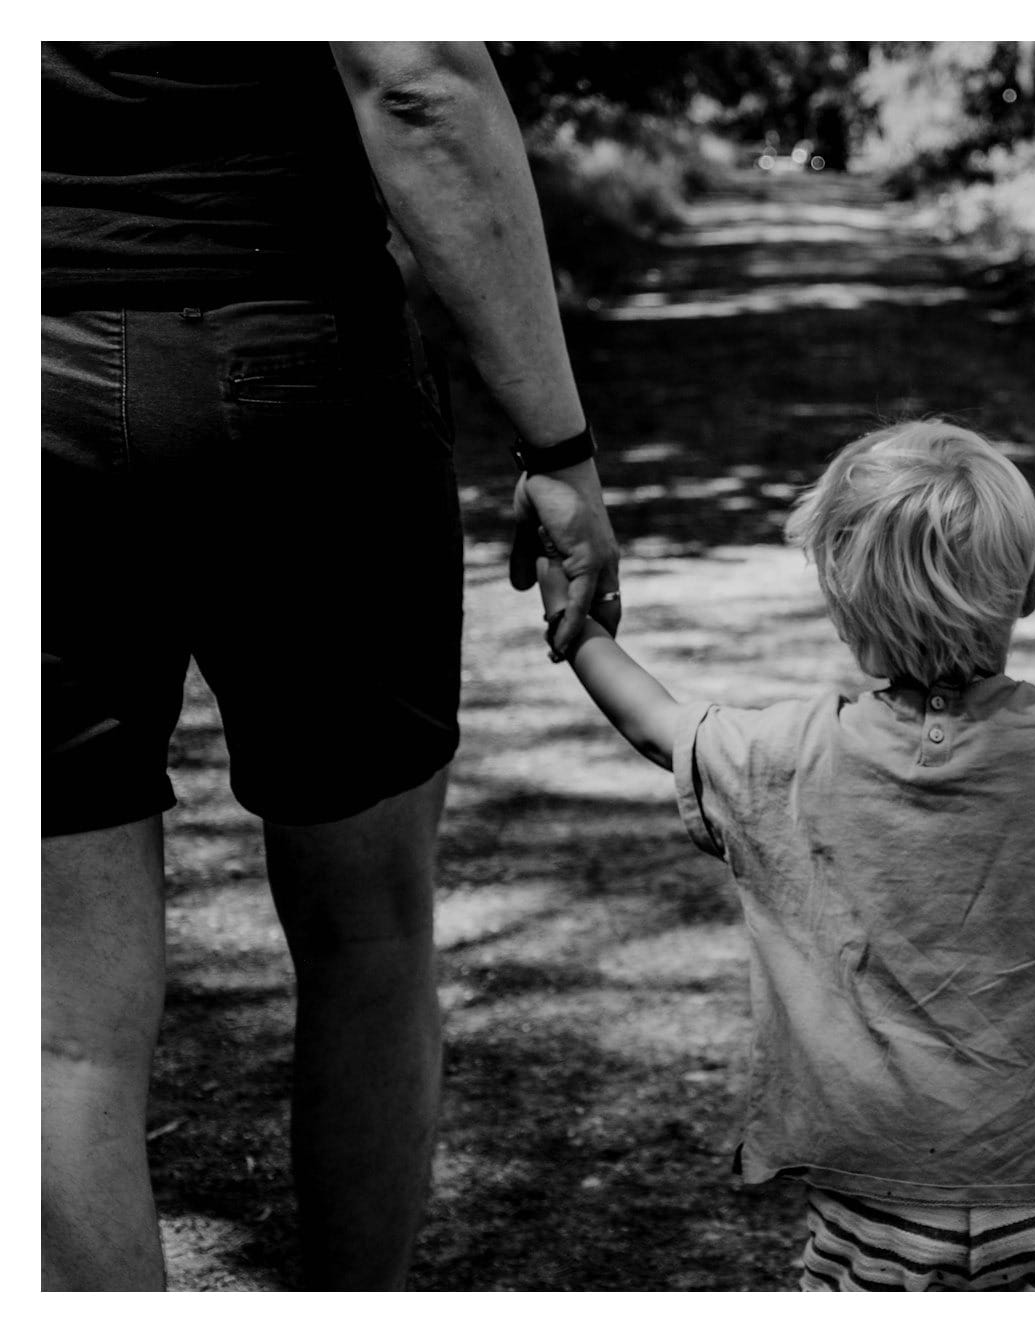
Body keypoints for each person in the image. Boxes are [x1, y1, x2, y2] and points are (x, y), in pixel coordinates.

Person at [42, 41, 620, 1289]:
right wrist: (558, 446)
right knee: (367, 936)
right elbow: (416, 83)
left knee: (60, 1030)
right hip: (301, 384)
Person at [533, 420, 1035, 1290]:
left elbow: (660, 724)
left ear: (840, 610)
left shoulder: (797, 752)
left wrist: (579, 625)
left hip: (879, 1193)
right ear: (1030, 590)